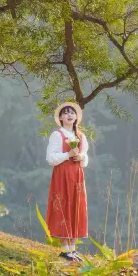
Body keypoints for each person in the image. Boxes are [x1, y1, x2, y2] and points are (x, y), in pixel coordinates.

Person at [46, 101, 89, 261]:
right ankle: (65, 248)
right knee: (63, 206)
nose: (69, 115)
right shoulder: (57, 135)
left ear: (77, 116)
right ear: (61, 117)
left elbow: (85, 159)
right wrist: (67, 155)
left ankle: (73, 247)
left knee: (76, 206)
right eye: (65, 113)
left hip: (77, 175)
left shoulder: (81, 136)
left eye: (72, 112)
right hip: (62, 175)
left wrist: (80, 156)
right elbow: (50, 158)